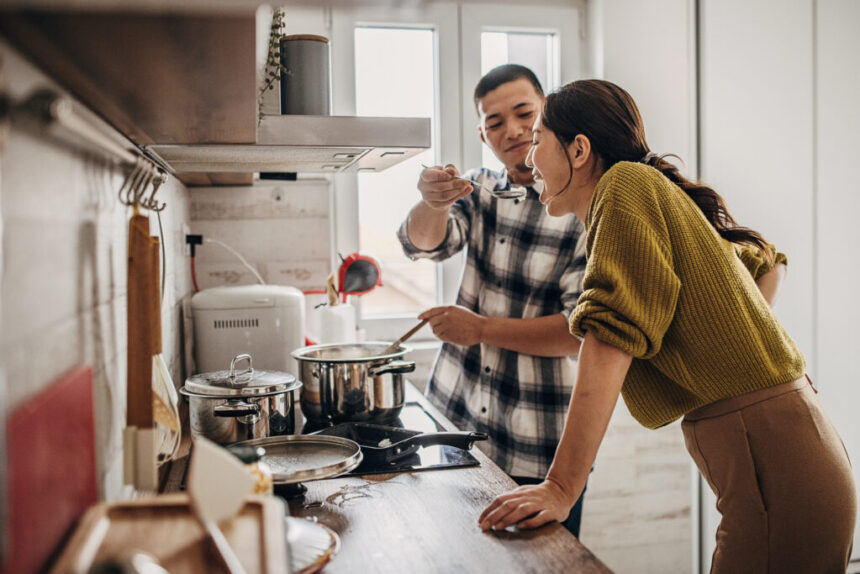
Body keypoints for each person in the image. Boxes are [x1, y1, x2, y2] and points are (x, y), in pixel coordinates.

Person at [478, 79, 857, 572]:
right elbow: (764, 262)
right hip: (788, 450)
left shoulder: (624, 186)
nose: (529, 158)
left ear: (578, 150)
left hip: (776, 458)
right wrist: (727, 341)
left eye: (538, 140)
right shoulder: (643, 192)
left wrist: (562, 486)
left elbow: (609, 337)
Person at [396, 65, 589, 537]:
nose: (514, 131)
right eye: (494, 122)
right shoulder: (478, 189)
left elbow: (574, 334)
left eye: (524, 113)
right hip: (455, 425)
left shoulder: (582, 209)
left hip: (538, 444)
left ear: (549, 114)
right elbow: (422, 244)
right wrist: (434, 202)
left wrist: (480, 329)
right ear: (482, 135)